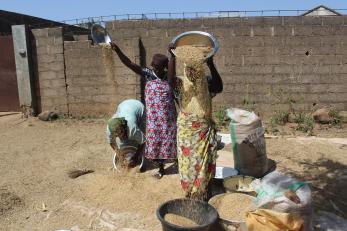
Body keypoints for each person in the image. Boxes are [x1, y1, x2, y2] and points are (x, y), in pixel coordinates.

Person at [110, 42, 177, 179]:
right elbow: (129, 63)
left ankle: (165, 166)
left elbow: (170, 80)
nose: (155, 69)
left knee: (168, 140)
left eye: (158, 67)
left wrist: (173, 56)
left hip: (167, 117)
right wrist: (118, 50)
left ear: (165, 67)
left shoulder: (168, 76)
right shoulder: (148, 74)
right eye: (154, 66)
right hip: (153, 118)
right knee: (155, 141)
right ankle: (161, 167)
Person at [168, 43, 223, 200]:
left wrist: (211, 63)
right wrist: (172, 57)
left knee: (205, 165)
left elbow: (219, 87)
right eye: (189, 68)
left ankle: (204, 193)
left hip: (203, 133)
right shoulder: (180, 84)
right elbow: (170, 82)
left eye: (195, 68)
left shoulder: (205, 82)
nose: (192, 71)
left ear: (200, 67)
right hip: (187, 133)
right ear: (185, 68)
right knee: (187, 166)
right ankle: (191, 194)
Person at [106, 99, 146, 169]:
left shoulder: (132, 129)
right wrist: (119, 155)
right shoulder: (110, 128)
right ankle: (128, 152)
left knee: (140, 132)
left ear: (124, 128)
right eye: (116, 134)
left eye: (120, 132)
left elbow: (143, 141)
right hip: (122, 106)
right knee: (124, 140)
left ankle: (141, 159)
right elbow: (112, 143)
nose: (117, 135)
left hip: (138, 107)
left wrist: (136, 156)